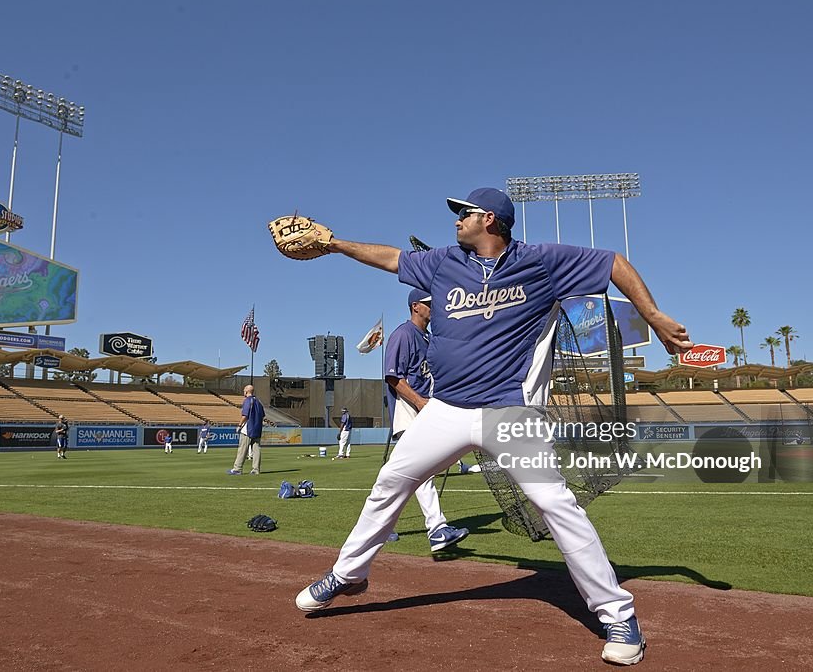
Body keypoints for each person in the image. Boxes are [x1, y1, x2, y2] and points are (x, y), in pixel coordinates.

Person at [291, 187, 692, 666]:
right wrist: (335, 244)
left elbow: (613, 264)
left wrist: (652, 314)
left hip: (509, 412)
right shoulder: (442, 263)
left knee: (554, 504)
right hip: (446, 409)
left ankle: (618, 614)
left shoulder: (541, 261)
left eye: (463, 213)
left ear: (490, 220)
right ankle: (349, 574)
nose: (455, 219)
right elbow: (391, 258)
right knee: (391, 482)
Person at [385, 287, 470, 552]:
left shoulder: (428, 338)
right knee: (421, 472)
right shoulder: (403, 334)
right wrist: (420, 402)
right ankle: (437, 528)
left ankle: (382, 526)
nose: (433, 308)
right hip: (408, 408)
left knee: (399, 474)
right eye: (428, 304)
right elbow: (393, 377)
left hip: (426, 408)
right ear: (415, 307)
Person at [227, 384, 265, 475]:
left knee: (243, 449)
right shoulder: (259, 402)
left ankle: (237, 468)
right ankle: (256, 469)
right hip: (257, 428)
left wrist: (239, 425)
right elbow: (263, 415)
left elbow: (245, 415)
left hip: (248, 429)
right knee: (256, 450)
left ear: (247, 391)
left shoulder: (248, 401)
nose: (243, 392)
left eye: (244, 391)